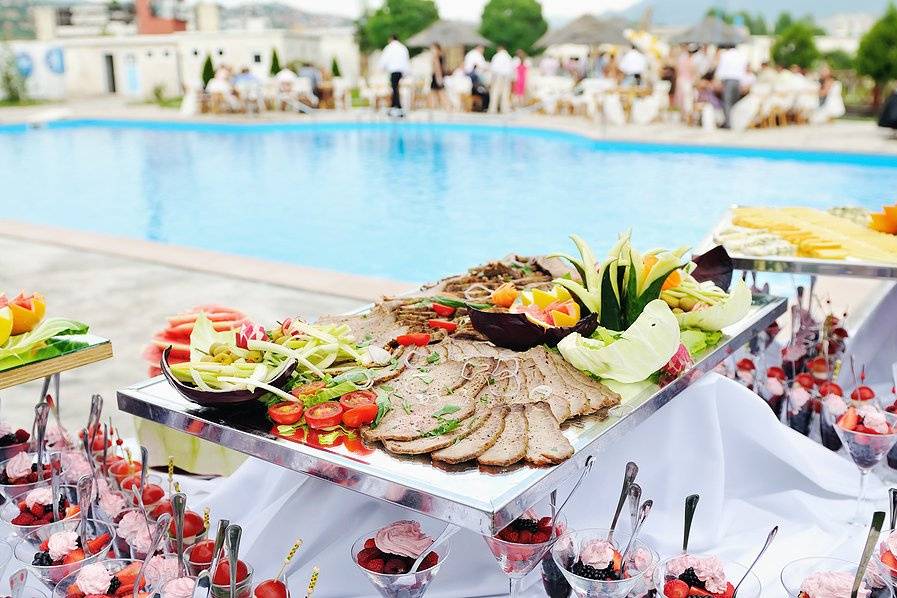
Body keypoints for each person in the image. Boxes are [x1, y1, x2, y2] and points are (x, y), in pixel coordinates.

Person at [714, 43, 747, 128]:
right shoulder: (741, 55)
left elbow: (721, 69)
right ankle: (735, 122)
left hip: (728, 81)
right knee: (735, 102)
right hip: (738, 81)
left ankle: (729, 124)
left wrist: (717, 81)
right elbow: (743, 70)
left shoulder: (725, 55)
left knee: (727, 102)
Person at [379, 34, 410, 115]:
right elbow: (406, 60)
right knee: (395, 88)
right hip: (400, 71)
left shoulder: (389, 47)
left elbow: (384, 59)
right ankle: (394, 105)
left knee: (395, 88)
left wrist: (381, 69)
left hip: (393, 70)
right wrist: (406, 73)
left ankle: (397, 106)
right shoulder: (402, 48)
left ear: (391, 39)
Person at [489, 45, 513, 114]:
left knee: (495, 93)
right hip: (506, 76)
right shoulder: (508, 57)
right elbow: (511, 69)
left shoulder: (496, 56)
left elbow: (493, 68)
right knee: (505, 93)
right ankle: (504, 109)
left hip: (497, 76)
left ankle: (493, 109)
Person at [464, 44, 489, 109]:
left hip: (468, 76)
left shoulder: (470, 54)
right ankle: (484, 106)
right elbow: (481, 66)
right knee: (484, 89)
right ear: (479, 48)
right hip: (473, 76)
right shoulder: (476, 54)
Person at [674, 45, 696, 115]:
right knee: (687, 98)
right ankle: (687, 114)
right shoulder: (689, 59)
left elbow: (677, 70)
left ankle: (684, 114)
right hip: (686, 81)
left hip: (682, 80)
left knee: (683, 98)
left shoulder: (681, 58)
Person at [428, 43, 448, 110]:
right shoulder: (441, 56)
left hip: (436, 77)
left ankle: (447, 107)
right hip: (438, 76)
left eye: (433, 49)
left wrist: (438, 78)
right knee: (437, 93)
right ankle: (435, 107)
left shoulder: (436, 57)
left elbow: (437, 68)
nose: (432, 50)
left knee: (440, 93)